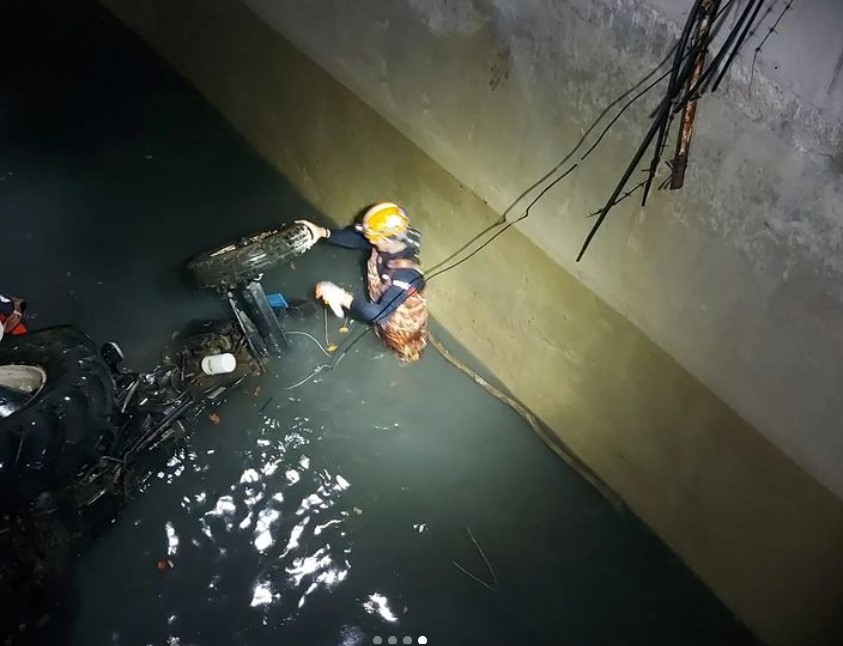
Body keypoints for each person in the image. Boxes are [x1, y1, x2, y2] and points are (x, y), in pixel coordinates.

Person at [298, 202, 428, 362]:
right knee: (382, 331)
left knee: (403, 341)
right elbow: (360, 240)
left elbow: (379, 314)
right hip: (381, 303)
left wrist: (340, 296)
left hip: (402, 319)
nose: (369, 241)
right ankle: (385, 336)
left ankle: (408, 353)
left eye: (372, 237)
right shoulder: (390, 242)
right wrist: (323, 232)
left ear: (389, 238)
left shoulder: (406, 275)